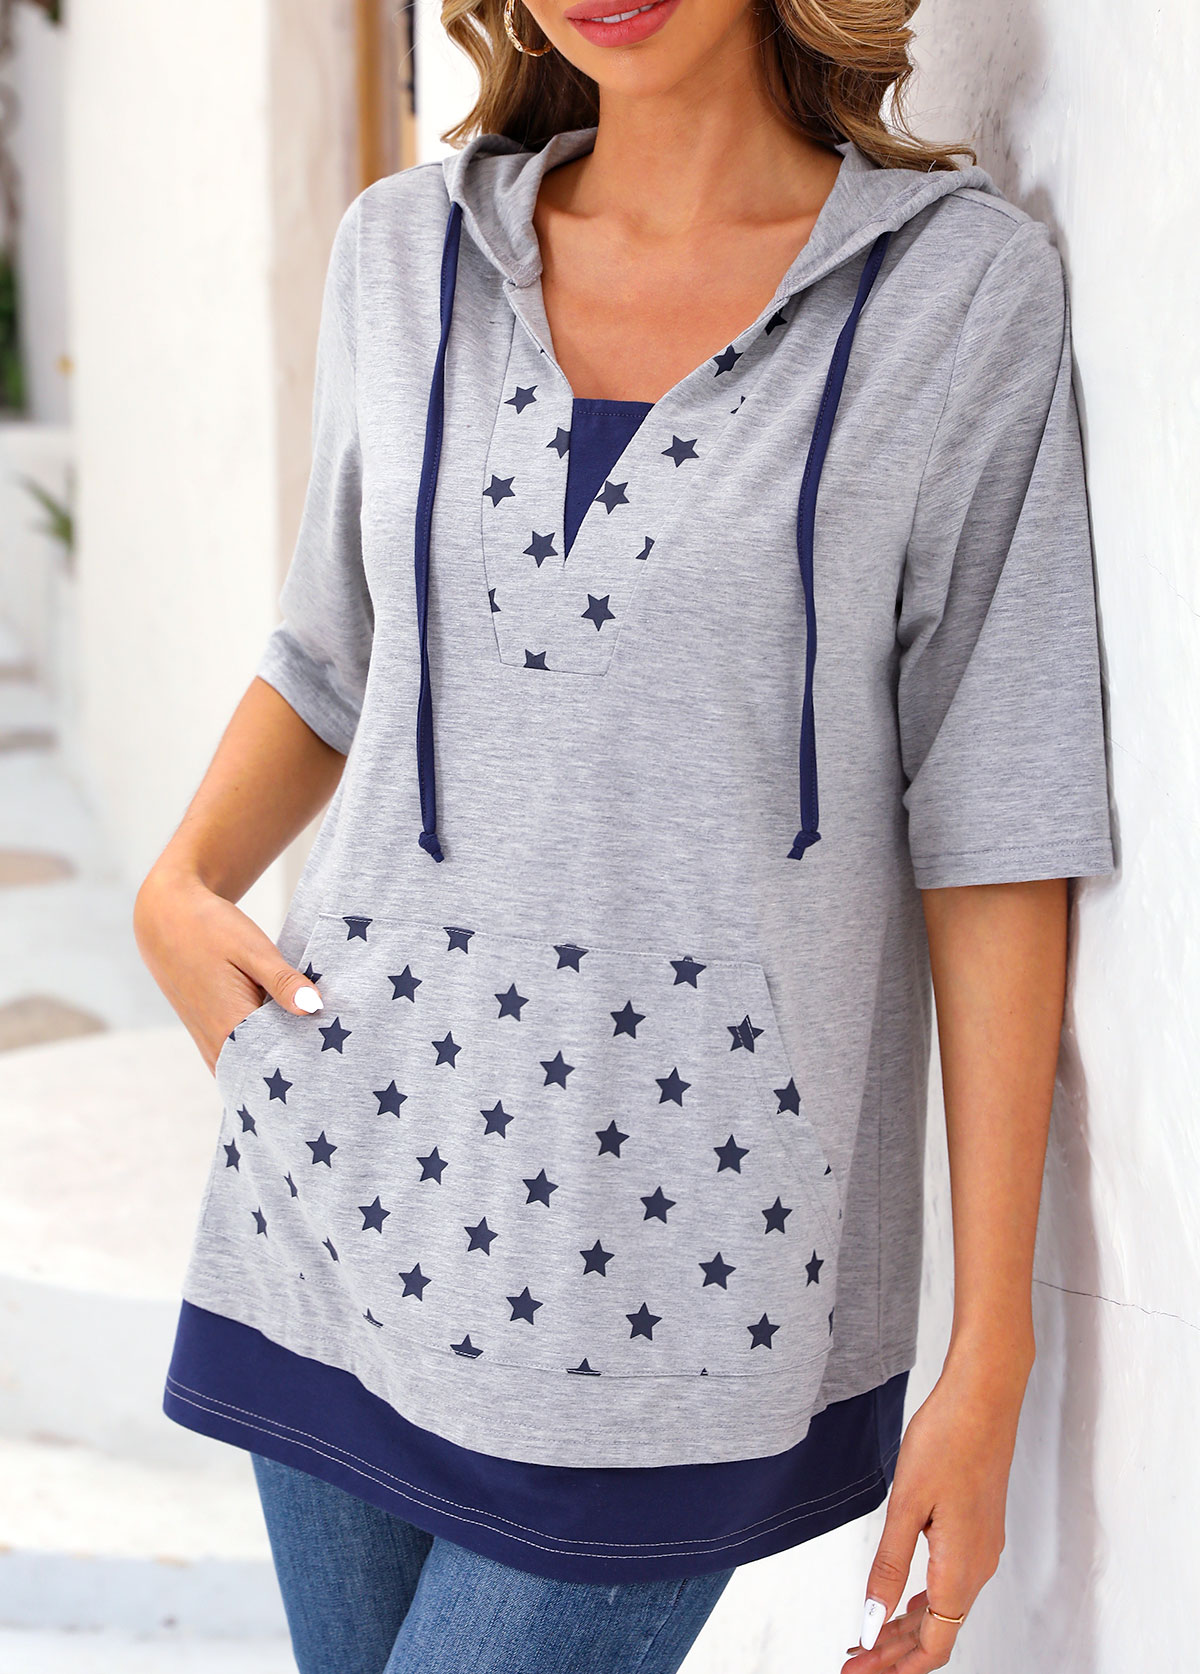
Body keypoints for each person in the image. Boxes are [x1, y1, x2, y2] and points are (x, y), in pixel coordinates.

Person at [133, 0, 1115, 1669]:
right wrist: (177, 887)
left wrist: (991, 1349)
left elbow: (994, 816)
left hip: (686, 1269)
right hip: (352, 1195)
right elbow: (331, 653)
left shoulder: (952, 295)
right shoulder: (402, 253)